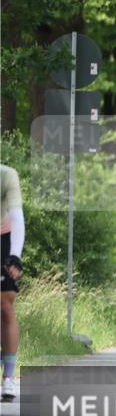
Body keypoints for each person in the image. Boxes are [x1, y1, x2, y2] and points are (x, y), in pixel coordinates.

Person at [1, 164, 25, 402]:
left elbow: (17, 216)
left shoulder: (6, 175)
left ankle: (8, 377)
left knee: (6, 306)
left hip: (3, 237)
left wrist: (15, 255)